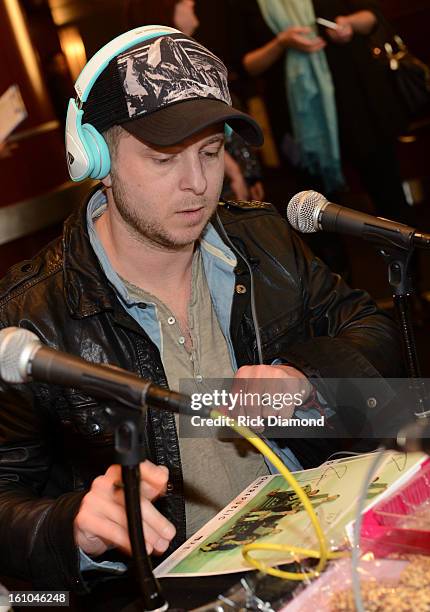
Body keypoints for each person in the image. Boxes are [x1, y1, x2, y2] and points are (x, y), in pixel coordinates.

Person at [0, 26, 402, 594]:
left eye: (210, 153)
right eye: (164, 160)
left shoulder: (265, 240)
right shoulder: (28, 316)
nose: (197, 184)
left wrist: (307, 380)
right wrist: (69, 525)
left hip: (315, 563)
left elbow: (371, 328)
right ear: (95, 159)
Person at [229, 0, 411, 224]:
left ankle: (404, 257)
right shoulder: (242, 5)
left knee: (389, 199)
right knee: (315, 216)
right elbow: (246, 65)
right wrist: (281, 43)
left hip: (360, 107)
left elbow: (373, 17)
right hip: (299, 123)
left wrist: (348, 24)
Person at [125, 0, 265, 202]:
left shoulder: (188, 58)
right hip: (219, 184)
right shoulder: (160, 70)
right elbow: (189, 131)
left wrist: (249, 173)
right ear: (164, 10)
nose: (191, 2)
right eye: (183, 0)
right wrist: (234, 172)